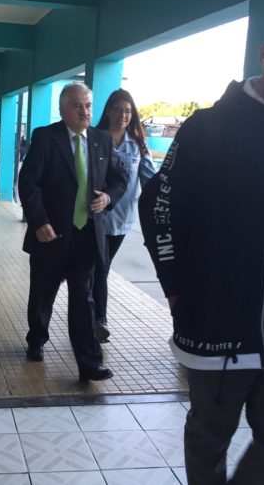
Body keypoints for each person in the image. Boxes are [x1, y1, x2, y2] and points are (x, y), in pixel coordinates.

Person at [139, 24, 264, 485]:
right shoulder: (208, 127)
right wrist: (175, 288)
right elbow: (158, 205)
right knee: (209, 437)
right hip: (217, 320)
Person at [18, 82, 129, 381]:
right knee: (43, 293)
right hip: (51, 234)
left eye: (88, 105)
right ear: (63, 109)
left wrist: (108, 198)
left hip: (86, 237)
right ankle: (37, 338)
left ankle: (89, 363)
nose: (84, 112)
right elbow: (29, 183)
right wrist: (39, 221)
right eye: (78, 106)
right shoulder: (45, 137)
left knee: (83, 300)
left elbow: (120, 177)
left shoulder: (102, 140)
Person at [93, 89, 156, 342]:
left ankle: (92, 314)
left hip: (121, 220)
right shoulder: (94, 138)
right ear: (108, 111)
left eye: (128, 111)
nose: (123, 115)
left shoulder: (138, 145)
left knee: (101, 267)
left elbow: (150, 180)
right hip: (94, 217)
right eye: (118, 110)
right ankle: (99, 320)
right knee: (99, 267)